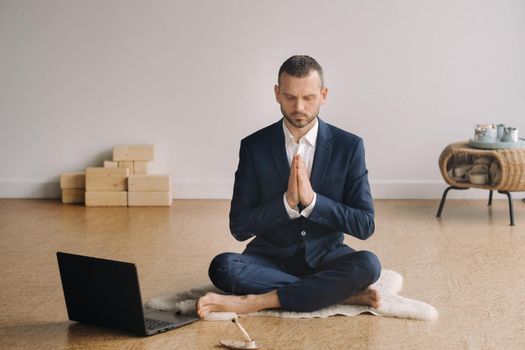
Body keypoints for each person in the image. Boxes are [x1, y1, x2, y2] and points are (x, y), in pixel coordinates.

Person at [196, 55, 381, 318]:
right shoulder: (254, 146)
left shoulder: (349, 146)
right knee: (223, 267)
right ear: (277, 94)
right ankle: (338, 293)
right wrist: (287, 204)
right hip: (269, 258)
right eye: (290, 97)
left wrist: (313, 202)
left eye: (309, 98)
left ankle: (258, 301)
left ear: (324, 94)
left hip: (326, 257)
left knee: (369, 265)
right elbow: (239, 227)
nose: (299, 107)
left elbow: (365, 224)